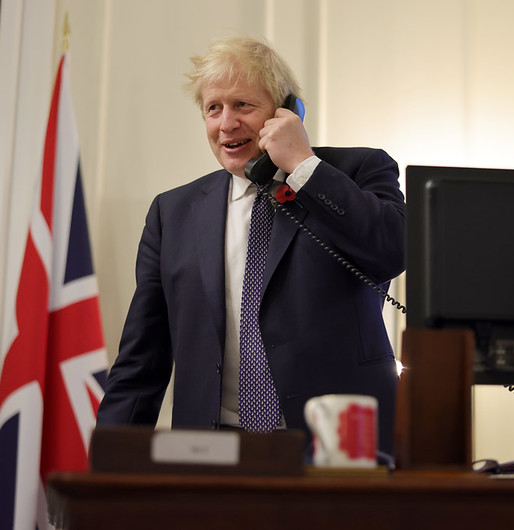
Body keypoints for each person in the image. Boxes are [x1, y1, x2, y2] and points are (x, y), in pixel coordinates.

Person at [96, 36, 405, 461]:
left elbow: (392, 250)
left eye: (242, 105)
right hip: (210, 455)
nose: (226, 124)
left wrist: (303, 166)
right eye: (213, 108)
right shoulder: (172, 213)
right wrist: (109, 464)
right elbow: (142, 357)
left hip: (336, 449)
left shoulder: (357, 170)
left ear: (286, 112)